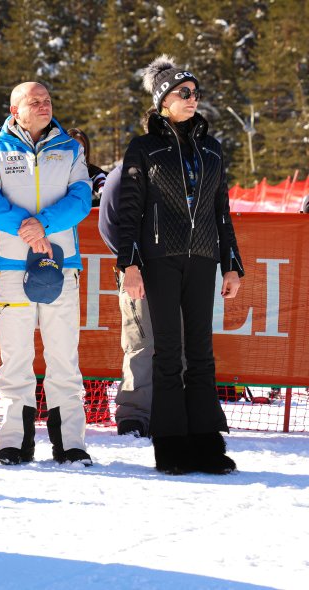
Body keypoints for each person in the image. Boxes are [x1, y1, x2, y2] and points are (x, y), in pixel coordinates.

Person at [117, 55, 244, 475]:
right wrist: (129, 264)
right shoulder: (144, 147)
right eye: (183, 93)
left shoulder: (211, 147)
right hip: (159, 258)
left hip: (204, 256)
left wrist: (231, 264)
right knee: (168, 352)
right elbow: (129, 211)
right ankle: (171, 445)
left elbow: (220, 210)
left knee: (202, 353)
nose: (192, 99)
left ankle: (207, 443)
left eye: (195, 93)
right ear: (162, 101)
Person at [0, 81, 93, 466]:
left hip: (62, 265)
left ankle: (70, 443)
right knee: (15, 358)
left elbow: (80, 199)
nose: (44, 106)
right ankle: (13, 442)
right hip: (10, 266)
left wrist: (41, 224)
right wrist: (25, 228)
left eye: (48, 100)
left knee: (63, 357)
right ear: (15, 111)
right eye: (34, 102)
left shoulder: (71, 148)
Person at [99, 165, 152, 438]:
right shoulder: (124, 174)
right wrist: (130, 264)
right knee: (140, 344)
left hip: (179, 273)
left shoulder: (186, 168)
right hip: (138, 274)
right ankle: (134, 414)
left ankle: (174, 412)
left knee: (182, 344)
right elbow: (107, 224)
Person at [67, 128, 107, 206]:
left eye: (81, 150)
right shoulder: (56, 170)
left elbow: (103, 186)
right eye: (73, 149)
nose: (78, 154)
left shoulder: (92, 172)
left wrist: (102, 194)